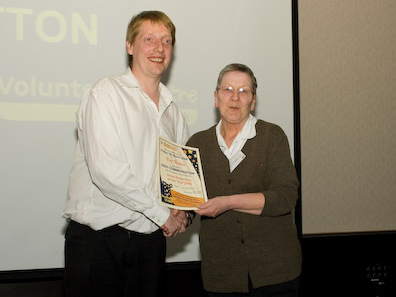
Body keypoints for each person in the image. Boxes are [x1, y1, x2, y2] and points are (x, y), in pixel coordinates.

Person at [63, 11, 190, 297]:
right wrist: (163, 214)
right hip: (100, 244)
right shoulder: (105, 94)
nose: (159, 49)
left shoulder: (173, 111)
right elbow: (108, 172)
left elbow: (178, 174)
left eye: (166, 41)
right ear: (129, 46)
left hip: (150, 243)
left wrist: (181, 209)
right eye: (149, 39)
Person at [187, 63, 301, 297]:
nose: (235, 98)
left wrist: (228, 202)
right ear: (216, 97)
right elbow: (190, 201)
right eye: (227, 89)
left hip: (275, 272)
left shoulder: (273, 136)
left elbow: (285, 198)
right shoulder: (197, 143)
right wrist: (178, 215)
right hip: (221, 274)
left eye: (243, 91)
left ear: (253, 101)